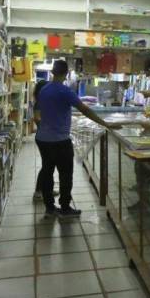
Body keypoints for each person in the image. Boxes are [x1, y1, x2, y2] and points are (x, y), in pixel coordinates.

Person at [36, 60, 121, 218]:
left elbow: (42, 111)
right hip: (60, 140)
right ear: (66, 73)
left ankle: (49, 208)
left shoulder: (44, 89)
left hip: (43, 139)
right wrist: (106, 124)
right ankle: (65, 208)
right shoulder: (65, 91)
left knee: (47, 172)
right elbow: (85, 110)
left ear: (53, 72)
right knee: (65, 174)